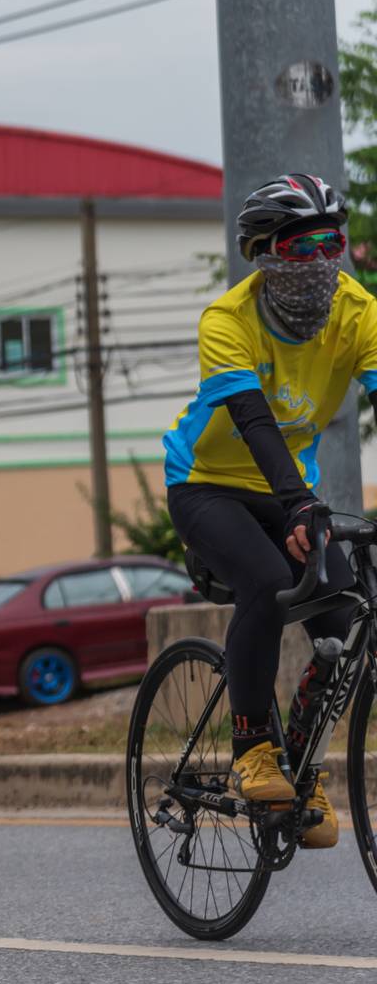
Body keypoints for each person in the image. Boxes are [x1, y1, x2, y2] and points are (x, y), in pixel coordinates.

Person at [164, 172, 374, 852]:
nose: (321, 260)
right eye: (302, 245)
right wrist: (299, 505)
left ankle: (304, 764)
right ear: (264, 252)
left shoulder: (358, 310)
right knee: (267, 584)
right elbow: (253, 423)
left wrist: (301, 504)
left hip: (291, 490)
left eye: (331, 242)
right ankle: (253, 745)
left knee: (347, 616)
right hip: (210, 484)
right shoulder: (227, 319)